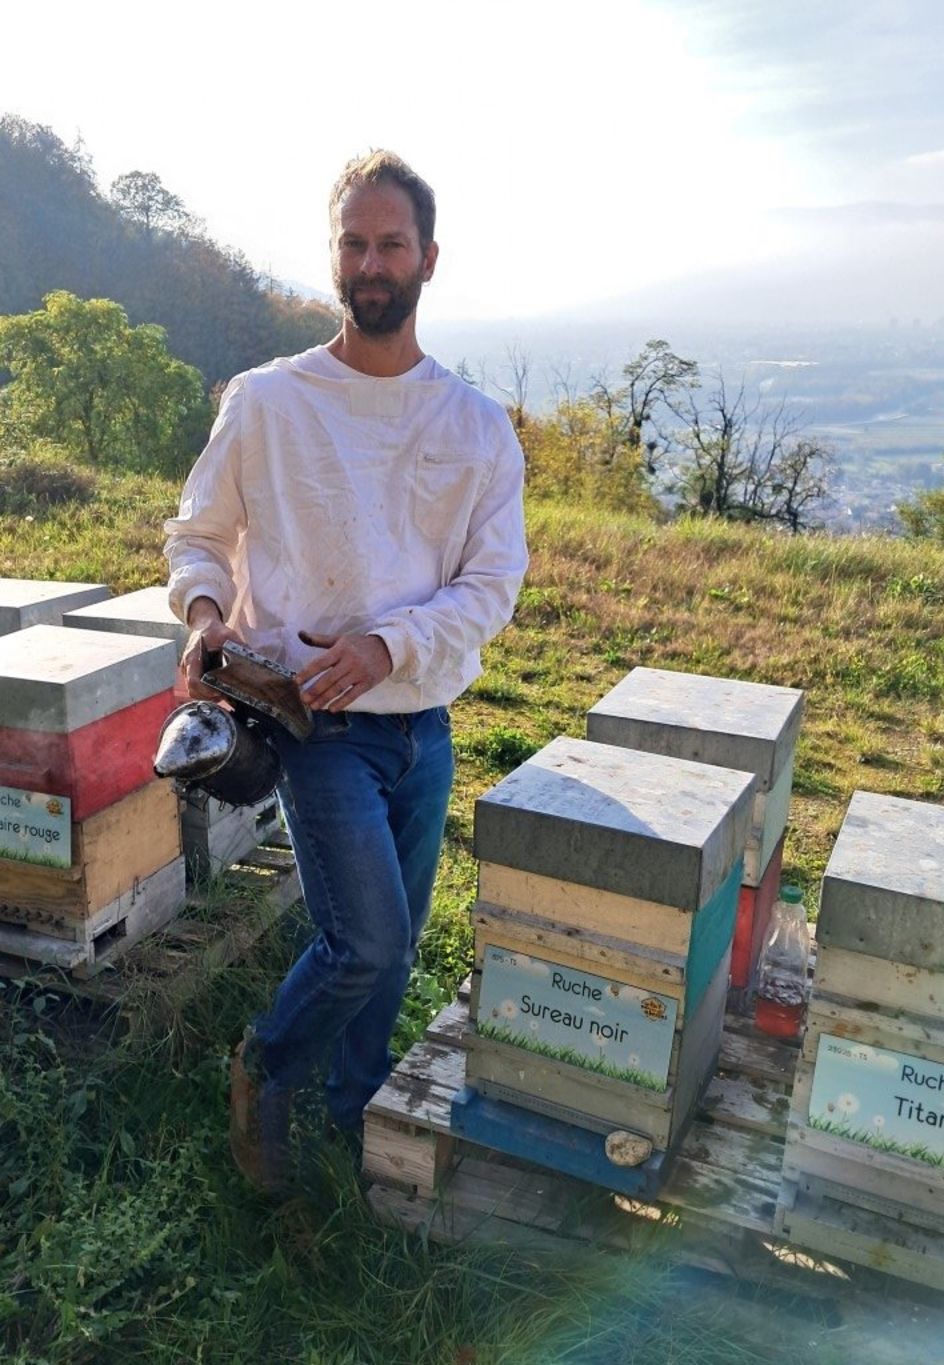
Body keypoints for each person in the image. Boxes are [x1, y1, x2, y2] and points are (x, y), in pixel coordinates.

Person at [163, 150, 528, 1191]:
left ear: (428, 259)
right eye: (354, 243)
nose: (372, 262)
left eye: (391, 243)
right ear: (334, 258)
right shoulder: (269, 402)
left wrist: (389, 646)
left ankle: (355, 1114)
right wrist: (201, 613)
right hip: (309, 720)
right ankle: (267, 1067)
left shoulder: (473, 424)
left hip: (423, 728)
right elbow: (199, 532)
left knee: (395, 951)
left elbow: (492, 583)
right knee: (362, 945)